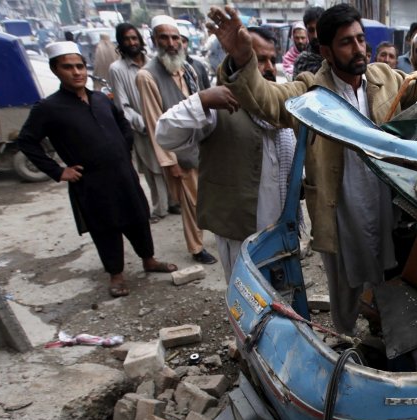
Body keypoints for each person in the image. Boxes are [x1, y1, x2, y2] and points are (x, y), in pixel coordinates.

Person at [207, 3, 417, 334]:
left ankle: (385, 338)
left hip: (385, 205)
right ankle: (346, 345)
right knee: (345, 293)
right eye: (346, 42)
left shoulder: (383, 77)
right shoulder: (309, 91)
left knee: (391, 278)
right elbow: (266, 100)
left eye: (360, 39)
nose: (358, 49)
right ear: (325, 50)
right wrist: (242, 60)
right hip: (341, 213)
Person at [16, 42, 177, 298]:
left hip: (123, 174)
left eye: (80, 66)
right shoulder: (48, 108)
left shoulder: (100, 98)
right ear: (56, 70)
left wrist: (124, 150)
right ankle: (116, 275)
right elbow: (26, 141)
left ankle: (149, 260)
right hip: (91, 182)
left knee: (137, 219)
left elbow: (122, 123)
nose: (76, 72)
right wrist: (59, 171)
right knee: (106, 228)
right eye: (68, 67)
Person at [155, 27, 297, 280]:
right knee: (247, 299)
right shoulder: (219, 104)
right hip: (240, 230)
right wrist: (201, 101)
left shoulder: (281, 107)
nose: (267, 67)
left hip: (281, 225)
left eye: (270, 60)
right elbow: (165, 134)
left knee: (282, 292)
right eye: (257, 59)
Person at [137, 16, 217, 264]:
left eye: (175, 38)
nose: (171, 43)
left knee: (208, 196)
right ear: (154, 41)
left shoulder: (189, 68)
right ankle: (196, 247)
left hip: (201, 144)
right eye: (165, 38)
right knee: (191, 202)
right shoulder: (147, 76)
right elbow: (153, 121)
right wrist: (170, 162)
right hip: (179, 151)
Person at [109, 23, 172, 222]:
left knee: (170, 164)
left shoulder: (154, 63)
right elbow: (122, 105)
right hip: (142, 127)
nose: (132, 42)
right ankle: (160, 208)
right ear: (121, 43)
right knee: (153, 169)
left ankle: (173, 202)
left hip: (165, 121)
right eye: (127, 39)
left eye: (134, 38)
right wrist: (144, 123)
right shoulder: (117, 69)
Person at [293, 6, 325, 76]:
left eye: (319, 29)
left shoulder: (335, 57)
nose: (315, 35)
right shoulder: (302, 61)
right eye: (311, 30)